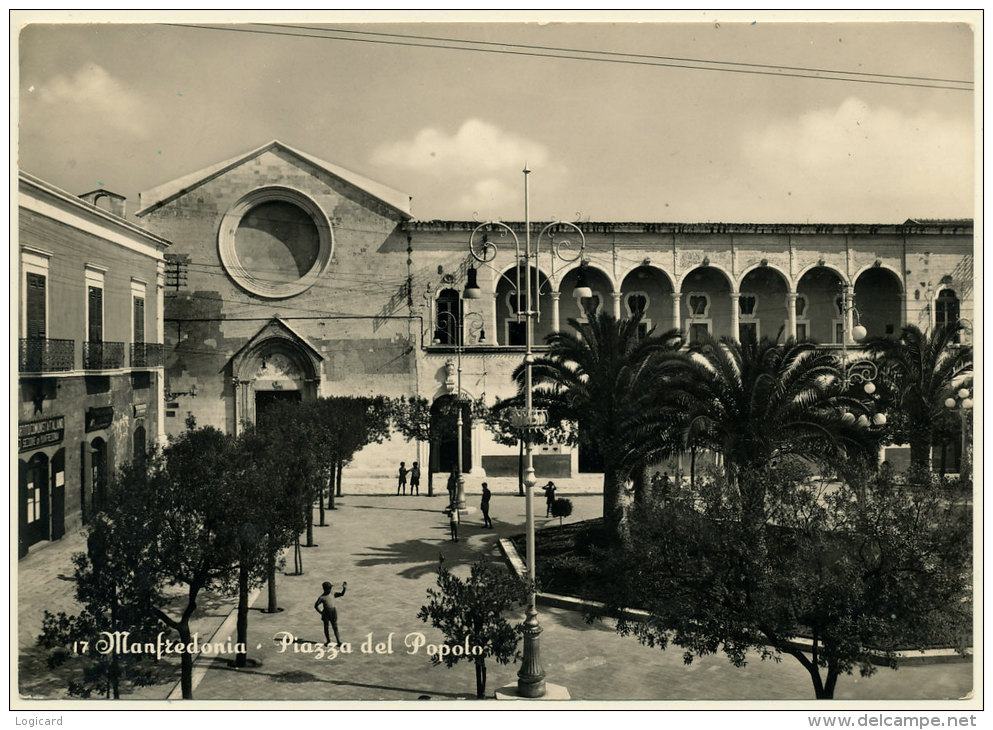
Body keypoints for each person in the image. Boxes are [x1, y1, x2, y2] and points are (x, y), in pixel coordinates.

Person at [314, 580, 347, 646]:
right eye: (329, 588)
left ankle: (338, 642)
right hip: (326, 613)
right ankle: (328, 641)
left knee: (335, 627)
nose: (330, 590)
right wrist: (321, 612)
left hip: (333, 612)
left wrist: (344, 588)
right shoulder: (321, 597)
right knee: (326, 627)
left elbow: (342, 594)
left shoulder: (332, 594)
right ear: (325, 589)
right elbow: (315, 606)